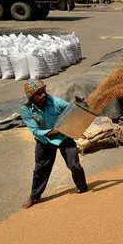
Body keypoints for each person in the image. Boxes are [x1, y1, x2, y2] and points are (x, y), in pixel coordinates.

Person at [19, 80, 88, 209]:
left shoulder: (54, 101)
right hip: (45, 141)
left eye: (44, 91)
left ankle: (83, 188)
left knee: (74, 165)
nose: (43, 95)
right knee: (41, 169)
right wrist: (55, 130)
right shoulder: (26, 110)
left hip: (64, 137)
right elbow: (35, 131)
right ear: (31, 97)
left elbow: (71, 109)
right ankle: (34, 196)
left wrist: (80, 105)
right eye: (39, 94)